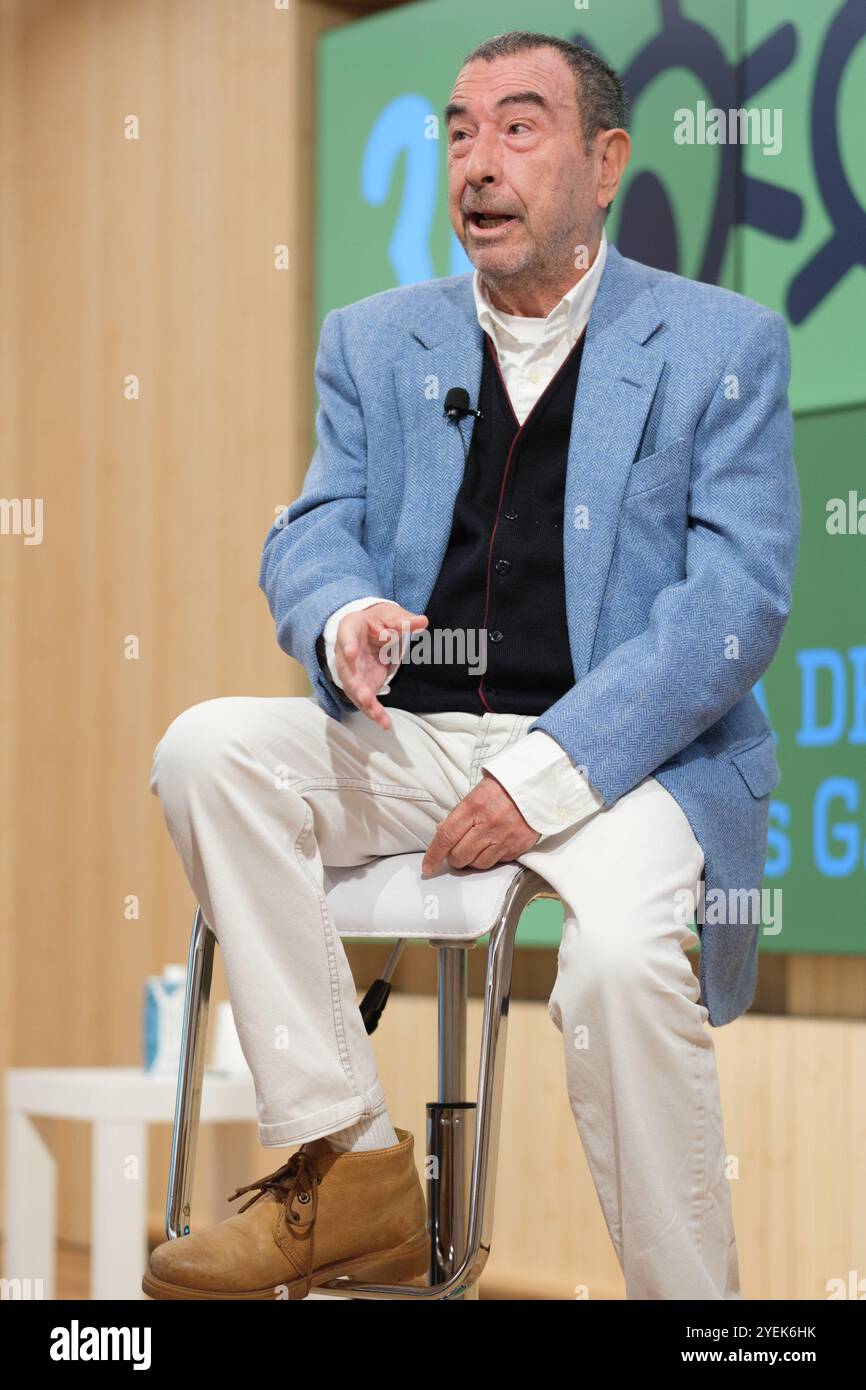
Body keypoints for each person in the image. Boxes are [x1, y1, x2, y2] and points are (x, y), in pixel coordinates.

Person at [143, 30, 800, 1301]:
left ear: (603, 163)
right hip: (422, 739)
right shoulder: (375, 340)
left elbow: (734, 603)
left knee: (613, 964)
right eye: (456, 132)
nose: (475, 164)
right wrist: (337, 617)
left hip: (638, 758)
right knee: (206, 752)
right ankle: (352, 1159)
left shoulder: (721, 344)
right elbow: (313, 527)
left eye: (516, 127)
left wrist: (547, 778)